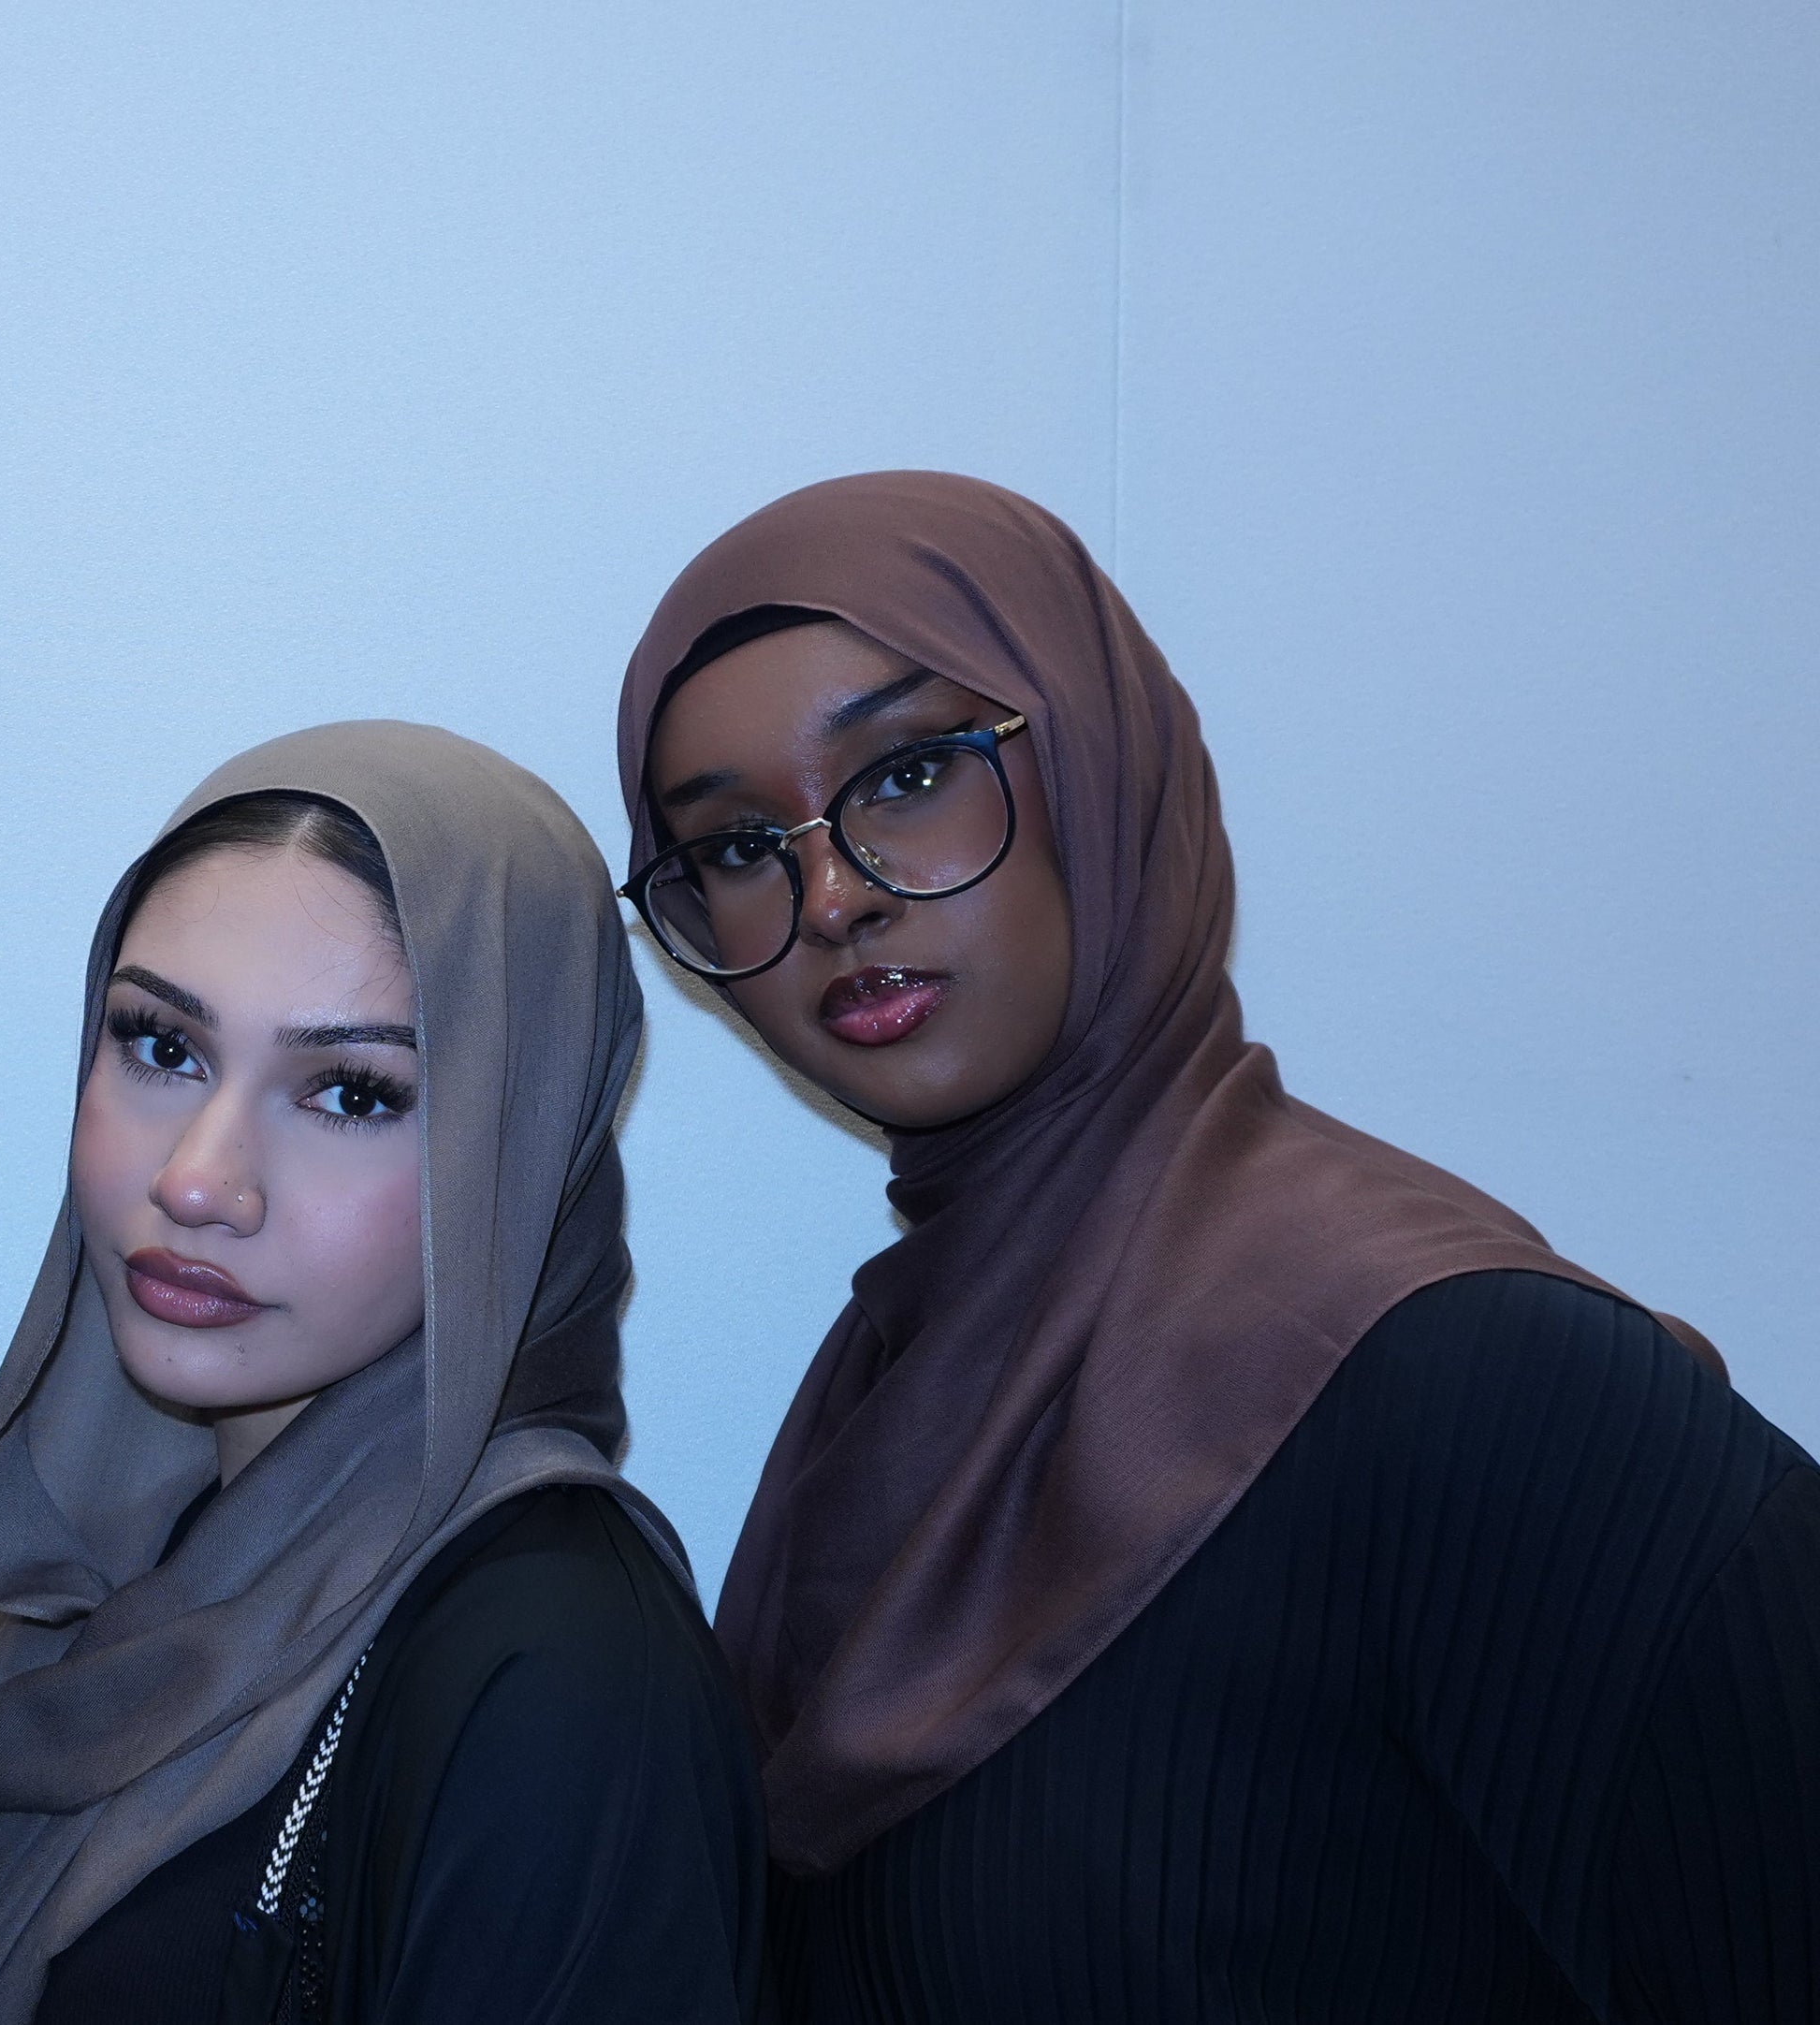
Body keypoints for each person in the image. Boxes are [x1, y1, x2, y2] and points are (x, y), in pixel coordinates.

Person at [615, 470, 1820, 2022]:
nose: (833, 895)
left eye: (910, 770)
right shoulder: (888, 1395)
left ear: (1101, 767)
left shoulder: (1452, 1370)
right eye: (733, 849)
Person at [0, 723, 763, 2025]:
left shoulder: (557, 1671)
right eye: (161, 1045)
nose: (196, 1178)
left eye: (353, 1095)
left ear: (517, 1149)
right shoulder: (105, 1589)